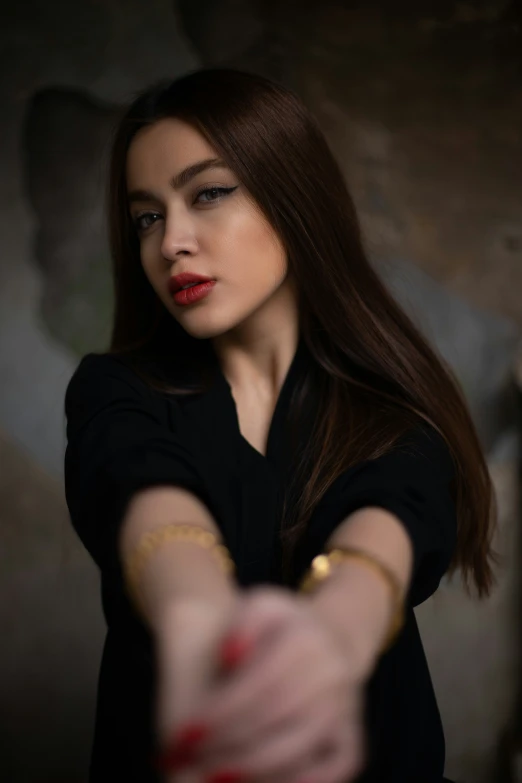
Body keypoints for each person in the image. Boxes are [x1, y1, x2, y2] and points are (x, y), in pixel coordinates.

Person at [64, 67, 496, 783]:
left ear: (294, 197)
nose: (171, 241)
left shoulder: (390, 408)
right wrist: (194, 607)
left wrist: (338, 624)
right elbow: (136, 482)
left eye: (208, 193)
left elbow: (393, 515)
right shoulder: (117, 388)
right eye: (147, 215)